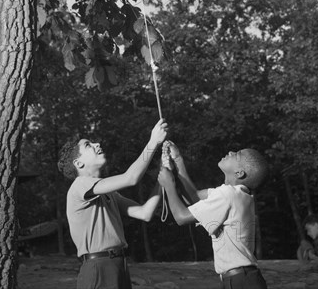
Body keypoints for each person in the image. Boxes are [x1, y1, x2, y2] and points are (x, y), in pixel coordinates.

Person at [58, 118, 168, 289]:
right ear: (78, 163)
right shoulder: (80, 185)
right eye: (88, 145)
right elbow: (130, 178)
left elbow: (144, 213)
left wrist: (163, 175)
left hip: (119, 265)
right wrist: (153, 141)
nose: (96, 143)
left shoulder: (108, 192)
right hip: (98, 268)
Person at [158, 142, 269, 289]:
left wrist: (169, 184)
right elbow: (195, 197)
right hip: (243, 279)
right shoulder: (236, 194)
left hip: (240, 281)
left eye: (236, 155)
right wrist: (178, 160)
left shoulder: (228, 195)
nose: (230, 151)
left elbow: (181, 217)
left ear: (239, 173)